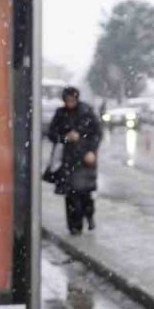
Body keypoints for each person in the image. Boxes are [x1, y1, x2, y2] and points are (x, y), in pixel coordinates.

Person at [46, 86, 102, 235]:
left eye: (72, 100)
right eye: (67, 100)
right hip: (68, 160)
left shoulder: (86, 112)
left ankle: (88, 215)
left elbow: (97, 133)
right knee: (71, 195)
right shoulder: (60, 114)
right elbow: (52, 134)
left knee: (85, 193)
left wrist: (91, 150)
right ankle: (74, 227)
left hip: (85, 159)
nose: (70, 103)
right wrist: (65, 138)